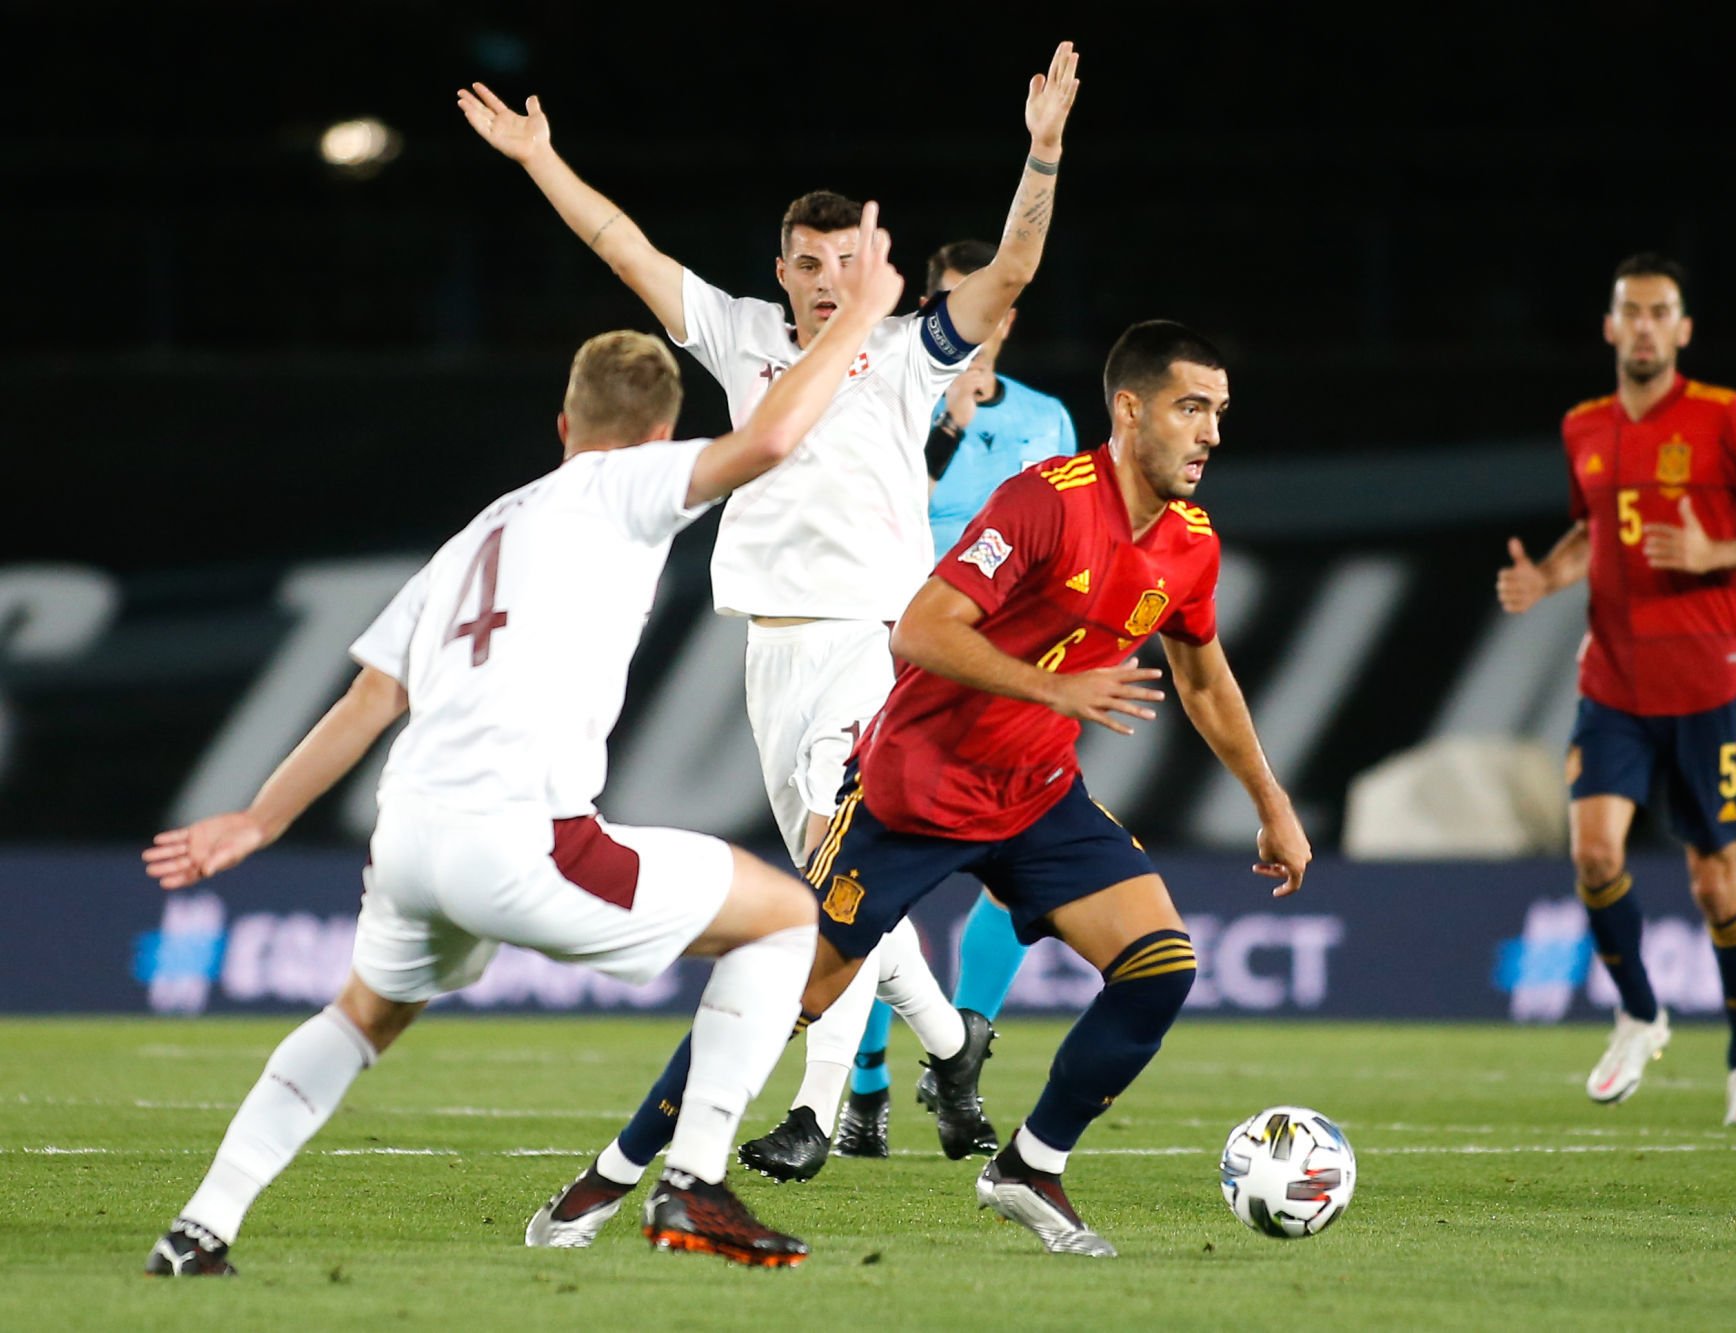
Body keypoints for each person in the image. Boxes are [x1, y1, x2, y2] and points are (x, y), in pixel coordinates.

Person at [138, 207, 908, 1277]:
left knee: (362, 1015)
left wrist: (256, 819)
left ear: (561, 424)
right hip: (521, 841)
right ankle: (690, 1183)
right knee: (786, 917)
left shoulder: (484, 526)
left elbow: (368, 697)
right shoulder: (626, 482)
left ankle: (199, 1227)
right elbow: (772, 438)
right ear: (655, 436)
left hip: (406, 837)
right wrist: (862, 310)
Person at [535, 319, 1312, 1259]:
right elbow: (921, 629)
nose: (1210, 434)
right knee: (784, 999)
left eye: (1220, 414)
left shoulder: (1190, 543)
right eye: (1193, 408)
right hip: (913, 793)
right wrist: (1056, 689)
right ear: (1130, 408)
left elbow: (1203, 677)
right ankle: (605, 1183)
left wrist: (1272, 805)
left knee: (1159, 967)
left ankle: (1028, 1166)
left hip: (1035, 795)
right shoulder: (1043, 504)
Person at [458, 43, 1081, 1184]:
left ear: (866, 263)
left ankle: (814, 1110)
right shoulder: (742, 334)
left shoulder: (901, 351)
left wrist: (1040, 152)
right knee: (846, 882)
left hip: (866, 645)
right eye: (809, 262)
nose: (828, 278)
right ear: (783, 269)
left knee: (834, 885)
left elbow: (1010, 274)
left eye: (846, 259)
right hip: (767, 649)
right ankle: (949, 1049)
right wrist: (541, 158)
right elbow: (622, 247)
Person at [1496, 252, 1736, 1127]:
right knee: (1594, 852)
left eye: (1659, 311)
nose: (1643, 325)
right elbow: (1591, 531)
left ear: (1682, 329)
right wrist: (1544, 582)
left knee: (1716, 887)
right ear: (1609, 327)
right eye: (1629, 311)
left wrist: (1716, 553)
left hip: (1709, 687)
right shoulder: (1584, 427)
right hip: (1615, 685)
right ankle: (1639, 1010)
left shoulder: (1723, 417)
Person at [832, 238, 1079, 1163]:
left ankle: (960, 1046)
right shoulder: (893, 398)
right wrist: (945, 420)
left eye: (984, 304)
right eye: (948, 302)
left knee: (1019, 875)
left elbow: (1066, 543)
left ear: (1006, 314)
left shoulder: (1050, 420)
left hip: (1006, 679)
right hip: (898, 663)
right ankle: (863, 1086)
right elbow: (874, 511)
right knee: (871, 874)